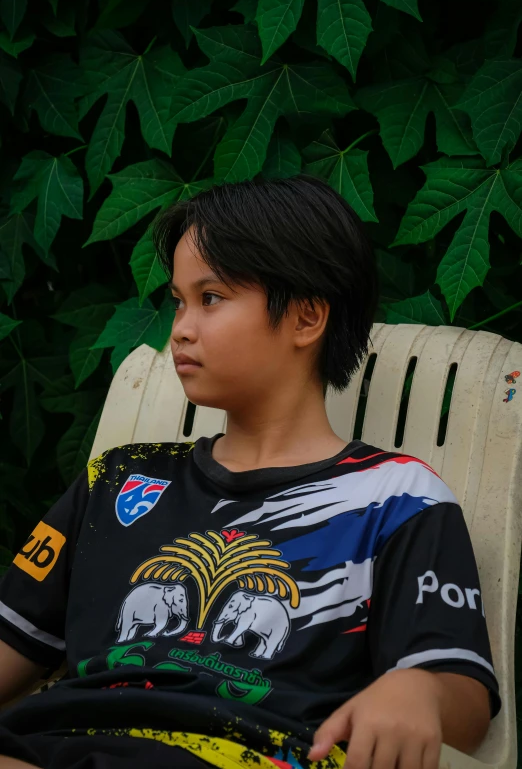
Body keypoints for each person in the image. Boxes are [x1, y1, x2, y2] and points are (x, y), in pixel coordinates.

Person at [0, 175, 499, 769]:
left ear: (306, 318)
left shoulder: (396, 499)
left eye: (210, 298)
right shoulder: (117, 480)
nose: (180, 327)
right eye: (179, 301)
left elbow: (464, 706)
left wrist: (419, 689)